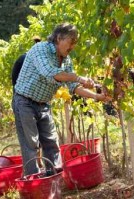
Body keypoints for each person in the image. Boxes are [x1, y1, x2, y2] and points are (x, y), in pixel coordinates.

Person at [13, 23, 111, 175]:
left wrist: (97, 96)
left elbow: (74, 87)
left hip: (43, 104)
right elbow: (51, 73)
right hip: (24, 102)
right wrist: (80, 78)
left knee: (52, 143)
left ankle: (54, 178)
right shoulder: (41, 49)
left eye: (75, 43)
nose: (73, 46)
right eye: (71, 41)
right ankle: (35, 183)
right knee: (31, 145)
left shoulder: (66, 60)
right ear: (59, 38)